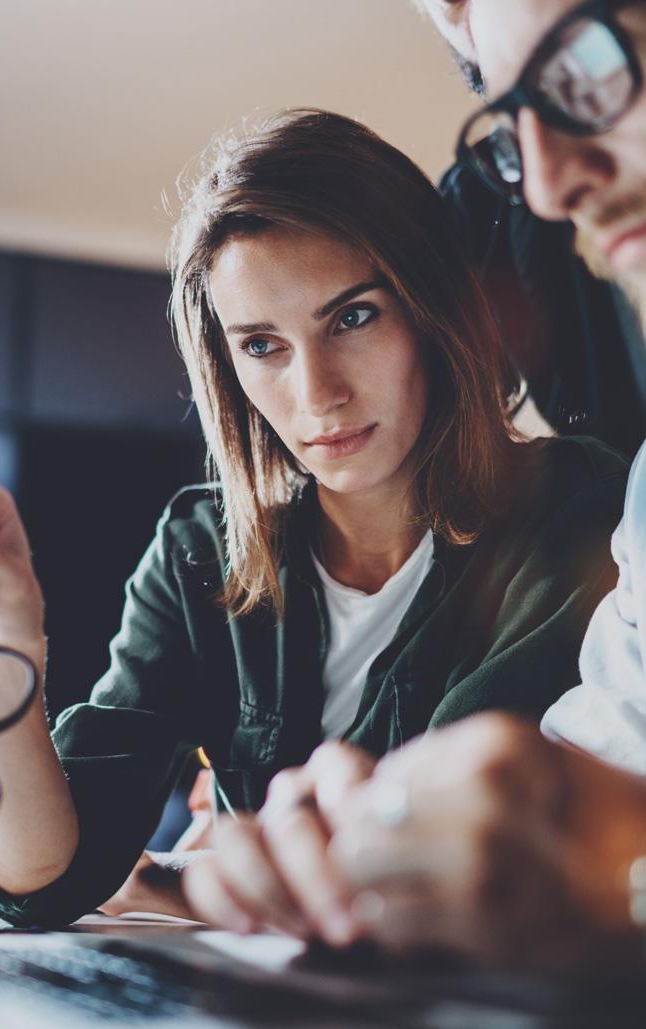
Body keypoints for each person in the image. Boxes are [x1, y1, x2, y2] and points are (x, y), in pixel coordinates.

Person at [0, 109, 626, 931]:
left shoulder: (569, 509)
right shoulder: (201, 550)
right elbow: (45, 877)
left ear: (432, 310)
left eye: (353, 317)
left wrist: (181, 883)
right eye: (263, 345)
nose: (317, 394)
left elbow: (428, 841)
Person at [183, 1, 646, 970]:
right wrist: (385, 849)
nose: (551, 187)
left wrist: (613, 851)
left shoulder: (567, 502)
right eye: (512, 113)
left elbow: (607, 832)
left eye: (588, 62)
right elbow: (588, 774)